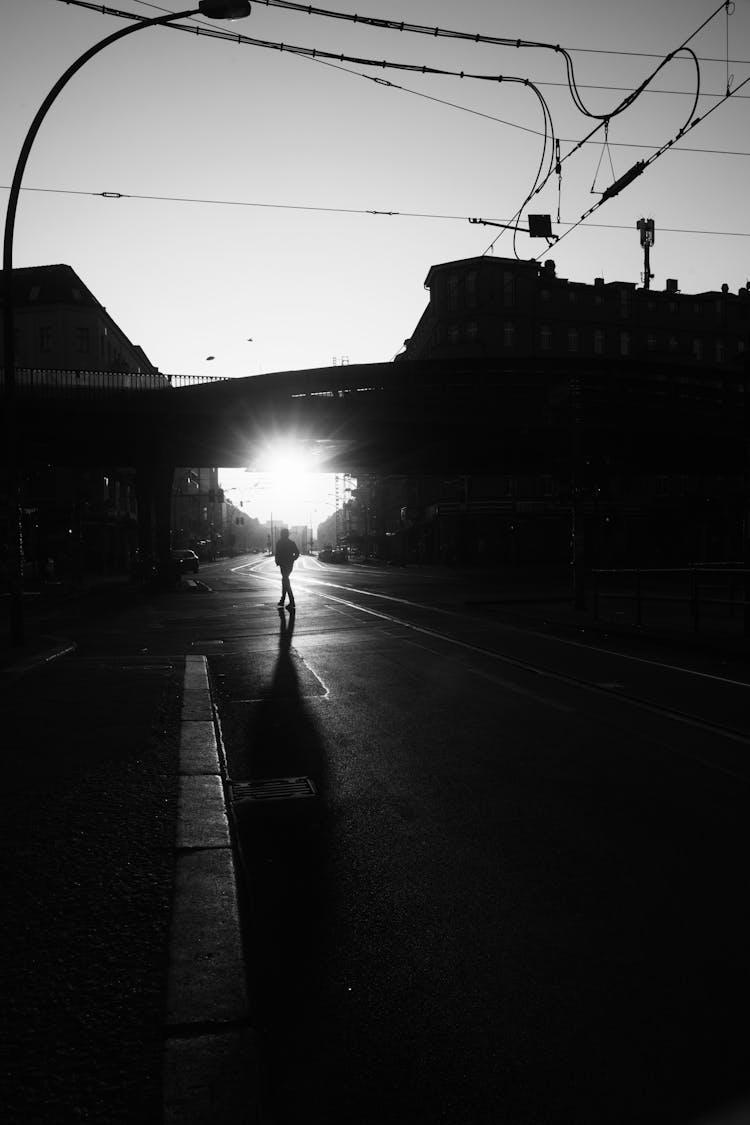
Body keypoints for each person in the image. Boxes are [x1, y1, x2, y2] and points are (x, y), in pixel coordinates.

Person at [274, 527, 300, 609]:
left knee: (285, 581)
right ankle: (284, 600)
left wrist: (277, 562)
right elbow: (297, 553)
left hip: (283, 564)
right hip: (289, 565)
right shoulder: (291, 543)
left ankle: (291, 601)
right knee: (285, 581)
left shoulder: (279, 543)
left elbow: (277, 554)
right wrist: (292, 559)